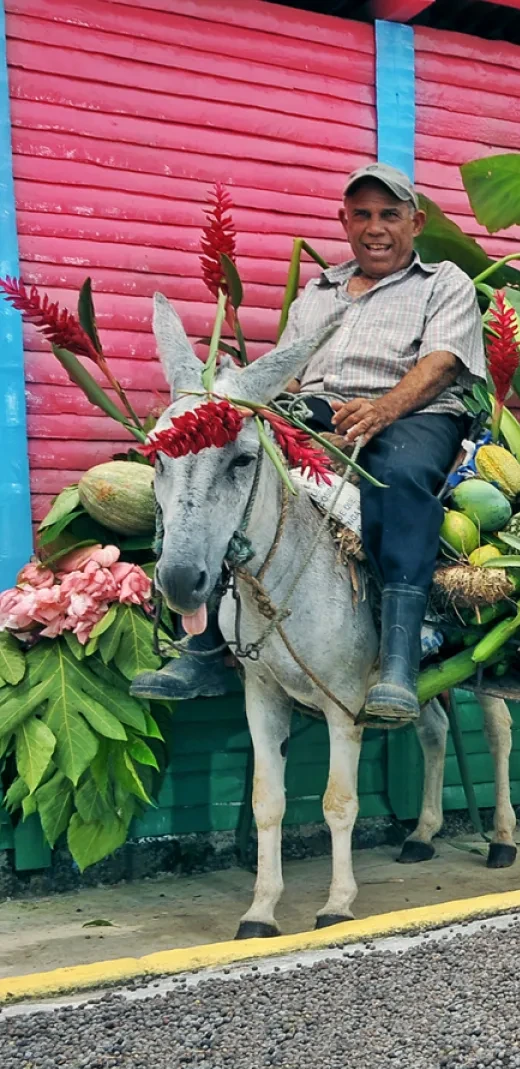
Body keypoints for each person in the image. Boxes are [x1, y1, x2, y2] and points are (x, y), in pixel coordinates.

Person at [132, 163, 483, 721]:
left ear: (415, 223)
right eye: (362, 215)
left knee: (401, 478)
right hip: (319, 412)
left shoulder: (443, 283)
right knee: (233, 470)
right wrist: (239, 395)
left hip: (415, 413)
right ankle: (201, 645)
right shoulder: (316, 294)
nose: (375, 228)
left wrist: (384, 409)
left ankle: (397, 661)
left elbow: (442, 364)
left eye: (390, 215)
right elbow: (292, 380)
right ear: (344, 222)